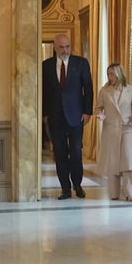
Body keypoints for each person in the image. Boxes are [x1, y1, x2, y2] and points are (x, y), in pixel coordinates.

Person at [42, 34, 93, 200]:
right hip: (55, 117)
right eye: (61, 47)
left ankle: (77, 184)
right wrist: (45, 114)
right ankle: (65, 188)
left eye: (67, 47)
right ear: (55, 47)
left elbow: (88, 88)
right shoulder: (46, 66)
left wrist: (87, 112)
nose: (65, 50)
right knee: (60, 153)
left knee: (76, 152)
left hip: (76, 116)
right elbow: (44, 92)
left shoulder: (81, 63)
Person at [95, 63, 132, 201]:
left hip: (127, 127)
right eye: (108, 74)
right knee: (113, 161)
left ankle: (130, 192)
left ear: (119, 74)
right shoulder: (104, 91)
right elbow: (98, 108)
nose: (110, 76)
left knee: (128, 159)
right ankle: (114, 193)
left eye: (112, 73)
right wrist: (100, 115)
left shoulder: (130, 89)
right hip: (111, 128)